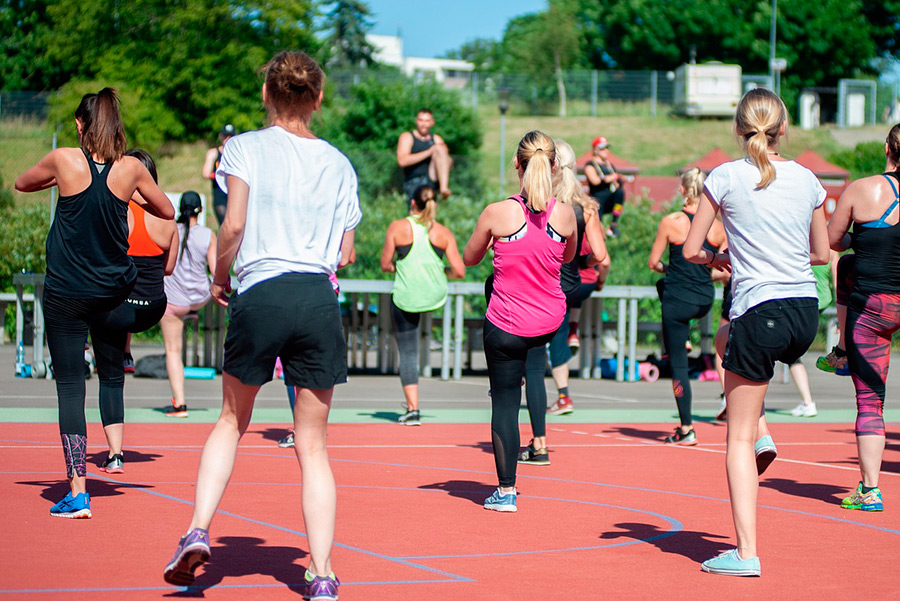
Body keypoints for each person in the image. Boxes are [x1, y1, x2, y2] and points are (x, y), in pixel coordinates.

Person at [164, 51, 361, 601]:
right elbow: (345, 252)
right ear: (317, 99)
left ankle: (197, 529)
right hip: (317, 297)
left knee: (231, 421)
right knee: (314, 446)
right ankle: (321, 573)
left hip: (262, 289)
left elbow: (234, 224)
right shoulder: (340, 165)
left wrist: (222, 277)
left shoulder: (243, 148)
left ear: (267, 95)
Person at [683, 88, 829, 576]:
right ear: (783, 128)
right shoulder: (808, 179)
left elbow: (690, 249)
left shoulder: (724, 177)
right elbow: (823, 254)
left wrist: (720, 258)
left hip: (759, 306)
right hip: (804, 312)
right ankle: (763, 432)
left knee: (736, 439)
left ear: (738, 128)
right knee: (735, 352)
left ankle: (745, 552)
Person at [15, 88, 174, 518]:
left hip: (66, 293)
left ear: (81, 126)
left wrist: (61, 183)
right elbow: (167, 212)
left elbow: (22, 182)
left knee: (70, 387)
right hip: (111, 294)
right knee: (109, 371)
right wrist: (129, 194)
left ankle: (78, 491)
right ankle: (115, 443)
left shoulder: (64, 160)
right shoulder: (132, 169)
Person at [463, 131, 576, 512]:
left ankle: (506, 491)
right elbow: (566, 254)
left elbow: (469, 257)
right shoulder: (565, 213)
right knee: (535, 370)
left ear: (517, 164)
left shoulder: (498, 212)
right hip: (545, 322)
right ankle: (539, 440)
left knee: (505, 403)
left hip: (507, 325)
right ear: (555, 165)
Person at [826, 122, 900, 513]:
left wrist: (864, 235)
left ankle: (870, 490)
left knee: (871, 402)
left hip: (872, 307)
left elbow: (832, 241)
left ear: (887, 147)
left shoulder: (861, 188)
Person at [96, 149, 178, 472]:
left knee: (111, 378)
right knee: (125, 297)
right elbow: (168, 270)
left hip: (119, 310)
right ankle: (126, 348)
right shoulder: (167, 221)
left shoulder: (114, 215)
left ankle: (115, 454)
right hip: (153, 307)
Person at [648, 167, 727, 445]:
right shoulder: (717, 227)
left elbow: (653, 263)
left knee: (678, 366)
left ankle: (686, 428)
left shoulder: (671, 221)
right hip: (704, 298)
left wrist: (672, 269)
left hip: (678, 301)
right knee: (674, 298)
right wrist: (704, 273)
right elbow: (727, 269)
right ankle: (687, 338)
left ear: (682, 190)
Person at [381, 184, 465, 425]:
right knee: (423, 337)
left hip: (407, 296)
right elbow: (459, 271)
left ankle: (413, 409)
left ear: (412, 203)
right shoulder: (443, 233)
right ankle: (413, 407)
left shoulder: (398, 228)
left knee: (408, 352)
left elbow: (385, 264)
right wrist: (439, 270)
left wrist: (401, 266)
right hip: (434, 296)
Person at [541, 140, 610, 421]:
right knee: (559, 329)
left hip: (550, 283)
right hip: (578, 282)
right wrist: (584, 263)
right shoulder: (587, 206)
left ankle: (560, 393)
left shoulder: (544, 204)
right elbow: (601, 256)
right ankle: (573, 330)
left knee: (542, 338)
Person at [160, 191, 217, 417]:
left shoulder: (171, 230)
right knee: (198, 297)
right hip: (200, 297)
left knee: (173, 351)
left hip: (174, 302)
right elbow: (214, 269)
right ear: (200, 211)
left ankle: (180, 404)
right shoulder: (208, 234)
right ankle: (193, 312)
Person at [396, 108, 452, 201]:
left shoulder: (437, 139)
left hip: (432, 181)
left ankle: (444, 188)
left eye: (427, 121)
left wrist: (445, 156)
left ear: (432, 122)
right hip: (414, 182)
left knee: (440, 148)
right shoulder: (407, 137)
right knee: (417, 214)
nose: (424, 124)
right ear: (416, 121)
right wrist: (429, 152)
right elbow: (402, 161)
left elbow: (448, 164)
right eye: (421, 120)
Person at [584, 136, 625, 238]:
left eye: (607, 148)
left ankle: (614, 224)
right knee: (597, 226)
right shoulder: (590, 165)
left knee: (620, 193)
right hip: (598, 200)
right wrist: (611, 178)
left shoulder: (609, 166)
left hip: (609, 200)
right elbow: (595, 181)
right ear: (596, 150)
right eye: (603, 148)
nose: (606, 151)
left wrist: (618, 179)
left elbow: (617, 181)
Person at [202, 124, 236, 225]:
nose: (228, 139)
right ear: (221, 137)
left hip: (234, 192)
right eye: (225, 136)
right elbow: (206, 173)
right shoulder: (214, 153)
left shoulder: (237, 153)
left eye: (230, 136)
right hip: (219, 193)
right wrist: (221, 176)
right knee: (224, 223)